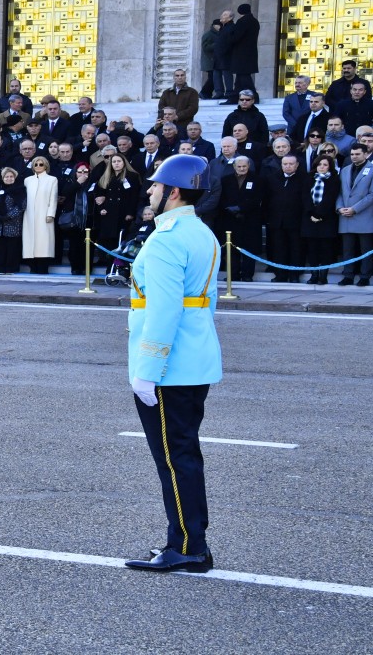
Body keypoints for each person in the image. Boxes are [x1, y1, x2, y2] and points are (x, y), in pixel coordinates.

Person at [122, 154, 221, 574]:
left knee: (173, 458)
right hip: (195, 359)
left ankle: (186, 545)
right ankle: (191, 539)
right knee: (185, 454)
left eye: (156, 186)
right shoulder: (203, 233)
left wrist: (147, 368)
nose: (150, 191)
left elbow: (163, 311)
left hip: (169, 366)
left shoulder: (165, 239)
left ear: (173, 191)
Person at [336, 144, 373, 286]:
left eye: (357, 154)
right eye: (352, 154)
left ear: (365, 154)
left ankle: (365, 275)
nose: (354, 157)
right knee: (347, 249)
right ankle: (348, 275)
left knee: (366, 248)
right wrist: (339, 208)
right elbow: (340, 192)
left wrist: (355, 209)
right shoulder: (345, 170)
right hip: (345, 214)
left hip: (364, 214)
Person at [215, 156, 263, 281]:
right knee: (232, 248)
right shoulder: (226, 180)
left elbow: (257, 199)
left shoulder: (257, 179)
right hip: (230, 219)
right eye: (239, 166)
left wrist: (240, 208)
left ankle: (247, 275)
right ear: (234, 167)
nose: (242, 168)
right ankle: (233, 274)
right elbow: (221, 197)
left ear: (249, 166)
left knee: (249, 248)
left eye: (244, 166)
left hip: (250, 219)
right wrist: (230, 209)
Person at [260, 155, 306, 282]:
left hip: (296, 221)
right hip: (276, 221)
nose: (288, 166)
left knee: (296, 250)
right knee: (279, 250)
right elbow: (266, 200)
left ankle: (294, 275)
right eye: (285, 164)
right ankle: (280, 275)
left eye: (291, 164)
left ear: (297, 165)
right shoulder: (272, 178)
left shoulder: (304, 179)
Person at [302, 155, 341, 284]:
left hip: (327, 219)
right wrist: (311, 213)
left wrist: (319, 214)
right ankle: (314, 275)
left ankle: (323, 275)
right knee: (312, 249)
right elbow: (305, 197)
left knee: (326, 249)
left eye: (325, 165)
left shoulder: (334, 179)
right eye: (319, 165)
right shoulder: (308, 178)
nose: (322, 167)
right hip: (310, 219)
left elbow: (330, 198)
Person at [0, 167, 25, 274]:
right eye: (6, 177)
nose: (9, 178)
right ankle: (0, 268)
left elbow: (21, 205)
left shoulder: (20, 189)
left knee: (12, 248)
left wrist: (9, 216)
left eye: (11, 176)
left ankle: (11, 268)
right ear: (2, 178)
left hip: (13, 224)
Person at [22, 156, 58, 273]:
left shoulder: (52, 179)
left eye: (41, 164)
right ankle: (32, 267)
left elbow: (53, 198)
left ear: (46, 165)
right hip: (29, 215)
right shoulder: (27, 180)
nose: (38, 166)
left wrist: (51, 214)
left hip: (44, 215)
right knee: (30, 241)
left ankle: (43, 268)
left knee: (44, 242)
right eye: (36, 164)